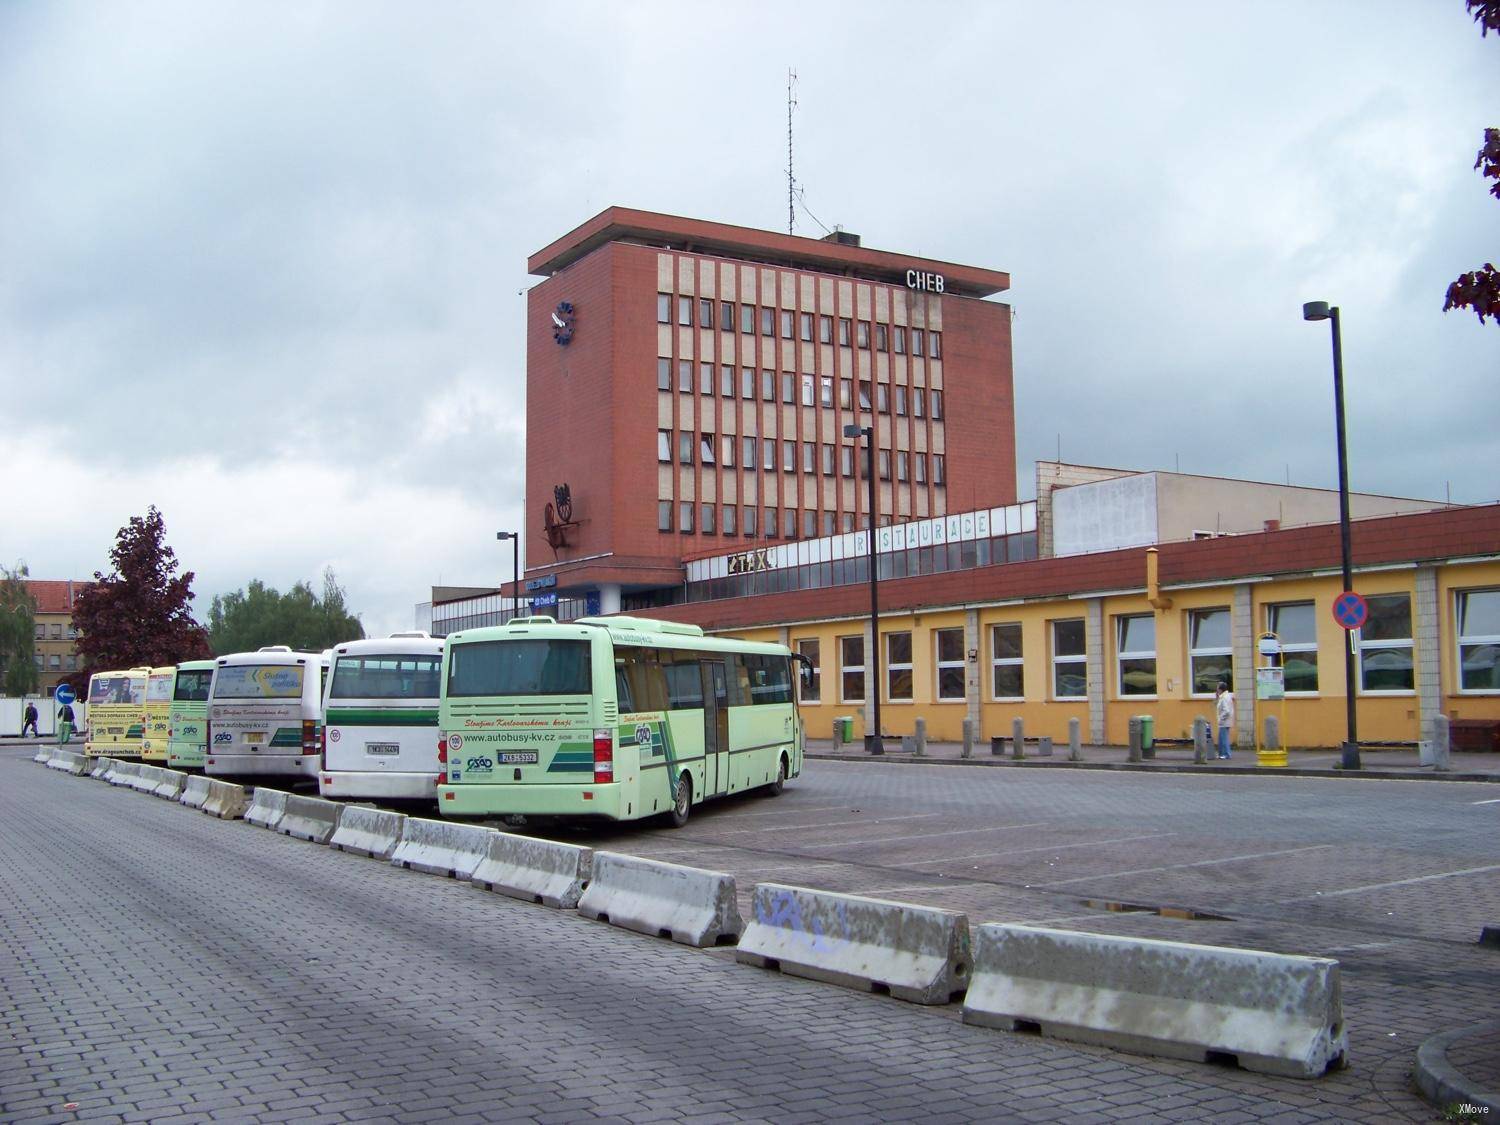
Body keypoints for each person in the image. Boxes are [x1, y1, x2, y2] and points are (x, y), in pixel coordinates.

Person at [1214, 682, 1235, 760]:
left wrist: (1221, 719)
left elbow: (1227, 711)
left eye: (1217, 688)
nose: (1216, 689)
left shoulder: (1224, 697)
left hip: (1224, 722)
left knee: (1224, 739)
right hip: (1225, 722)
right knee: (1221, 738)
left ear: (1220, 689)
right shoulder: (1224, 696)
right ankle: (1222, 754)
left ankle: (1226, 754)